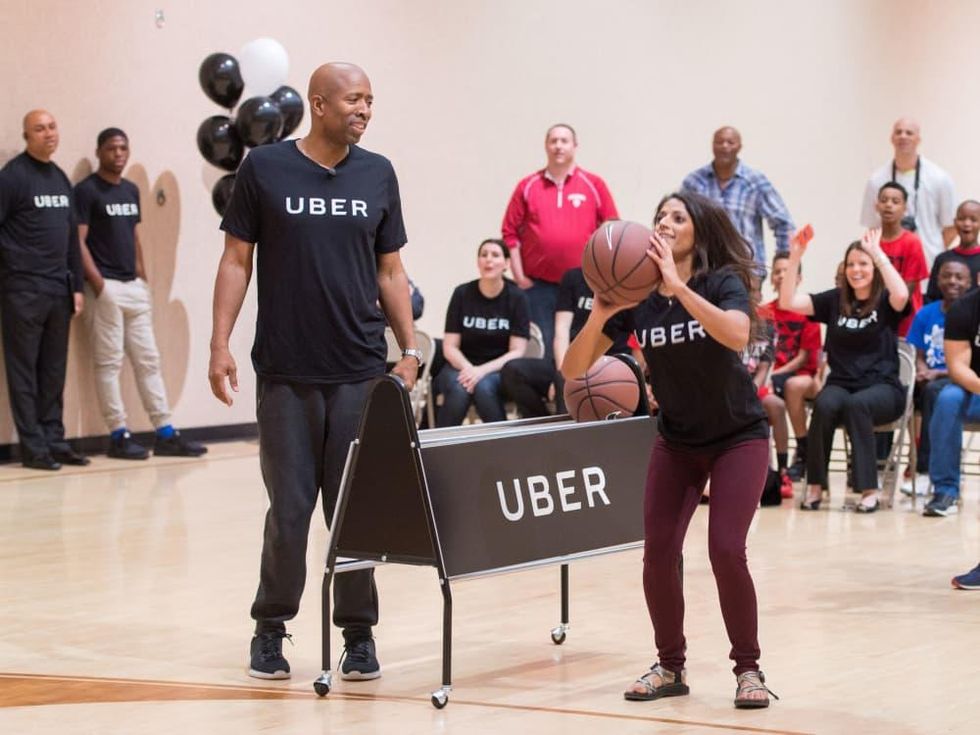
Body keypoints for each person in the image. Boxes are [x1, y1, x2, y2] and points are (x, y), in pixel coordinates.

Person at [209, 63, 419, 682]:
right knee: (292, 508)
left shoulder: (378, 173)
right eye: (355, 99)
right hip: (286, 372)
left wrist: (408, 349)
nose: (365, 110)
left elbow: (391, 272)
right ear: (318, 103)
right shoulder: (266, 168)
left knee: (355, 511)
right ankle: (270, 629)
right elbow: (235, 260)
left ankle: (358, 635)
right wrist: (219, 344)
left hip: (359, 370)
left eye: (371, 100)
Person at [562, 191, 777, 709]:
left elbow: (736, 333)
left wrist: (679, 288)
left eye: (678, 217)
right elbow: (573, 370)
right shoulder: (637, 297)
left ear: (697, 232)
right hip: (677, 439)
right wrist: (602, 312)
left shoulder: (718, 281)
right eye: (661, 216)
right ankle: (670, 666)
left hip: (738, 436)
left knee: (726, 549)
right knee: (658, 551)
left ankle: (748, 670)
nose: (665, 223)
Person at [75, 128, 206, 459]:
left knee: (149, 360)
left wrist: (142, 276)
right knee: (109, 363)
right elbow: (77, 241)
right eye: (111, 148)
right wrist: (98, 284)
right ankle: (118, 435)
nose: (118, 154)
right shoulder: (87, 191)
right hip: (105, 288)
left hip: (133, 287)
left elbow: (133, 236)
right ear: (100, 151)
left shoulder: (131, 191)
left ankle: (165, 432)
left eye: (123, 148)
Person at [779, 229, 910, 512]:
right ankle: (815, 485)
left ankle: (869, 489)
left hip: (884, 388)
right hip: (841, 383)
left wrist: (877, 252)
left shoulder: (887, 300)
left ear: (874, 267)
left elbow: (902, 293)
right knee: (825, 403)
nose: (856, 270)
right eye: (851, 264)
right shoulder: (835, 300)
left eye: (863, 264)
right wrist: (795, 256)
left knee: (856, 405)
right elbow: (787, 301)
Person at [0, 109, 87, 470]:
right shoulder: (12, 177)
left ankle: (54, 439)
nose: (48, 133)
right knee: (24, 371)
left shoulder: (59, 178)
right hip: (22, 290)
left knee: (53, 370)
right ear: (27, 135)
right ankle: (33, 447)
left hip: (58, 289)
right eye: (40, 128)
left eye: (52, 126)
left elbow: (71, 239)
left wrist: (77, 286)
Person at [501, 124, 618, 360]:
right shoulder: (528, 186)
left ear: (575, 146)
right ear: (546, 146)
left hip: (584, 285)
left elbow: (612, 227)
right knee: (545, 348)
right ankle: (551, 395)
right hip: (539, 286)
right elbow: (509, 232)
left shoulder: (594, 184)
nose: (558, 146)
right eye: (553, 141)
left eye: (564, 141)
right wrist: (520, 276)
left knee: (582, 346)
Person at [500, 266, 630, 417]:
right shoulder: (574, 277)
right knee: (513, 370)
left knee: (569, 380)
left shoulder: (628, 285)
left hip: (607, 365)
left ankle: (566, 434)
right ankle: (544, 426)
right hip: (569, 360)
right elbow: (561, 329)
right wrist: (562, 373)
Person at [436, 239, 529, 426]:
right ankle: (440, 449)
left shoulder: (517, 298)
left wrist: (480, 372)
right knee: (459, 388)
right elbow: (450, 346)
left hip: (498, 370)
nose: (489, 260)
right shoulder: (461, 294)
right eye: (484, 255)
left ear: (507, 263)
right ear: (478, 261)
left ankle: (502, 448)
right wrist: (470, 369)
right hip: (460, 366)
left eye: (495, 255)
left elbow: (517, 351)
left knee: (484, 388)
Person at [681, 126, 794, 269]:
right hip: (703, 269)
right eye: (719, 142)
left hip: (747, 271)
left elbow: (783, 223)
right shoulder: (694, 182)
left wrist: (783, 256)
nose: (724, 146)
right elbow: (679, 221)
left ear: (739, 147)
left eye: (730, 142)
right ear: (712, 145)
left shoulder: (755, 181)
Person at [902, 259, 970, 496]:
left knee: (936, 393)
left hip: (957, 380)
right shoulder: (926, 313)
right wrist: (921, 369)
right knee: (894, 389)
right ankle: (878, 468)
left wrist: (937, 373)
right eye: (947, 276)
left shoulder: (971, 314)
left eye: (959, 277)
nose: (952, 281)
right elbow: (918, 352)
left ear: (970, 283)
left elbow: (968, 364)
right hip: (927, 376)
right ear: (937, 280)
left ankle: (924, 470)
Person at [921, 262, 980, 517]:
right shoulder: (964, 309)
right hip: (973, 386)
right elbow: (957, 367)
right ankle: (945, 490)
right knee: (947, 399)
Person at [860, 118, 957, 269]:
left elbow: (951, 227)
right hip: (887, 263)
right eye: (898, 132)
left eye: (909, 133)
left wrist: (933, 251)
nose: (903, 136)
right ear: (891, 138)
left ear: (918, 139)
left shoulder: (940, 178)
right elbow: (873, 227)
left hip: (928, 262)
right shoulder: (876, 180)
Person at [764, 254, 823, 482]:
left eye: (787, 271)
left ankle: (803, 452)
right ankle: (771, 465)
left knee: (792, 385)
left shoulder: (807, 312)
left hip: (802, 376)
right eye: (777, 271)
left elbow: (803, 358)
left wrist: (773, 374)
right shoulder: (763, 312)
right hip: (769, 374)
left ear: (798, 278)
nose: (781, 276)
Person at [874, 181, 928, 336]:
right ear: (877, 205)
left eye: (895, 201)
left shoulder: (912, 242)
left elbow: (907, 290)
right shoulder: (870, 239)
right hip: (875, 318)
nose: (888, 205)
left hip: (906, 321)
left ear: (904, 208)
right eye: (884, 200)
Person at [925, 200, 980, 302]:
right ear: (955, 222)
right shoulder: (942, 259)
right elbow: (931, 298)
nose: (967, 224)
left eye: (973, 220)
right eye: (962, 219)